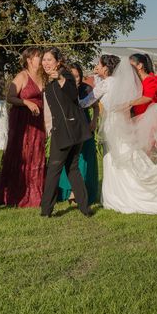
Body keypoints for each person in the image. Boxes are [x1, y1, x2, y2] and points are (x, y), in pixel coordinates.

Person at [80, 54, 157, 215]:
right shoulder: (124, 83)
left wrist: (70, 103)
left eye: (99, 64)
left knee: (115, 160)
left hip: (113, 126)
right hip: (121, 124)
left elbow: (86, 101)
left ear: (106, 68)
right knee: (127, 158)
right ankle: (118, 196)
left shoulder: (108, 83)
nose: (96, 66)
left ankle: (118, 197)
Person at [40, 48, 94, 218]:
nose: (45, 63)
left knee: (54, 170)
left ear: (58, 61)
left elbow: (72, 95)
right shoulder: (48, 80)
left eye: (49, 60)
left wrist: (62, 78)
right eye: (44, 60)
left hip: (68, 131)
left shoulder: (66, 75)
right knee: (72, 168)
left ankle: (45, 211)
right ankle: (85, 208)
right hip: (67, 130)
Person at [0, 47, 46, 207]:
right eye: (39, 57)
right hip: (22, 120)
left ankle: (36, 193)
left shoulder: (43, 76)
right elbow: (10, 97)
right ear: (29, 60)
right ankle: (16, 193)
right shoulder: (22, 76)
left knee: (37, 153)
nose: (42, 60)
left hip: (38, 120)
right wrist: (27, 102)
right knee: (22, 154)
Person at [58, 62, 99, 206]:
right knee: (69, 159)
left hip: (84, 126)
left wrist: (94, 121)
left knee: (83, 159)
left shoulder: (86, 89)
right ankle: (67, 190)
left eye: (77, 76)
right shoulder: (62, 88)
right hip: (67, 127)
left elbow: (96, 106)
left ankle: (78, 192)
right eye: (72, 76)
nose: (75, 79)